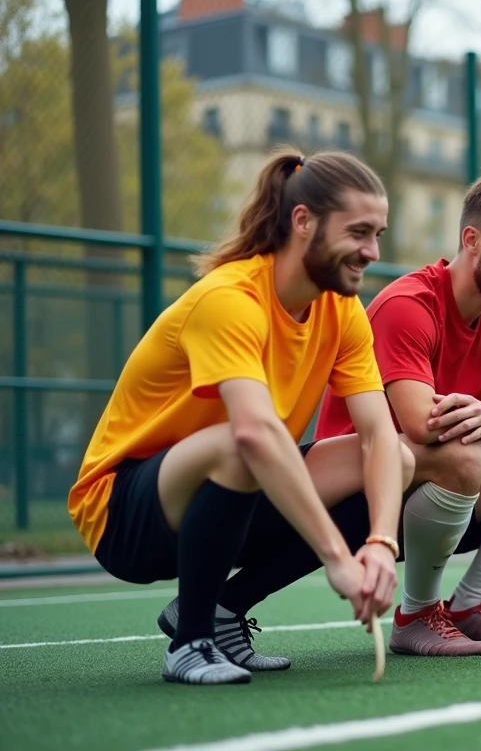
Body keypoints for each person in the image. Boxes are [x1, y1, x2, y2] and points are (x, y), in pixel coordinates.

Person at [165, 171, 481, 657]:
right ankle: (417, 614)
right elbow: (422, 424)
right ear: (472, 240)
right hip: (352, 487)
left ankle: (469, 605)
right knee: (460, 455)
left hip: (427, 488)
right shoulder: (409, 304)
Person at [68, 148, 414, 685]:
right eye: (358, 233)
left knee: (399, 460)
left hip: (236, 491)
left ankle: (223, 614)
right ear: (303, 221)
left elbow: (377, 437)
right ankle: (190, 643)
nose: (372, 251)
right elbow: (253, 432)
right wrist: (337, 559)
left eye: (378, 235)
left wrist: (381, 544)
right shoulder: (229, 298)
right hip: (125, 512)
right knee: (242, 443)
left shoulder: (342, 309)